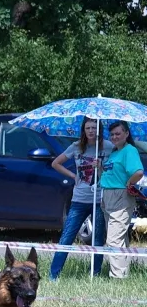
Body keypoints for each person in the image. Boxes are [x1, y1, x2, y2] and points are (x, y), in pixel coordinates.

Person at [48, 116, 112, 280]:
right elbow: (56, 163)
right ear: (84, 130)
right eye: (88, 128)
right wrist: (73, 176)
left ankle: (95, 275)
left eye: (94, 128)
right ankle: (53, 275)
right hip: (79, 199)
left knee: (97, 240)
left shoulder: (108, 147)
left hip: (99, 199)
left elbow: (115, 171)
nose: (91, 131)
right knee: (67, 236)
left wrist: (102, 168)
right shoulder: (76, 146)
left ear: (99, 130)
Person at [100, 120, 144, 278]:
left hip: (120, 198)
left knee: (113, 240)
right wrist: (100, 167)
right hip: (107, 197)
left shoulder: (129, 150)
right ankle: (123, 273)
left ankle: (117, 278)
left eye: (118, 133)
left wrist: (129, 182)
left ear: (126, 134)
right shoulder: (114, 152)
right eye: (112, 134)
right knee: (120, 238)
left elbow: (138, 172)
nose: (114, 137)